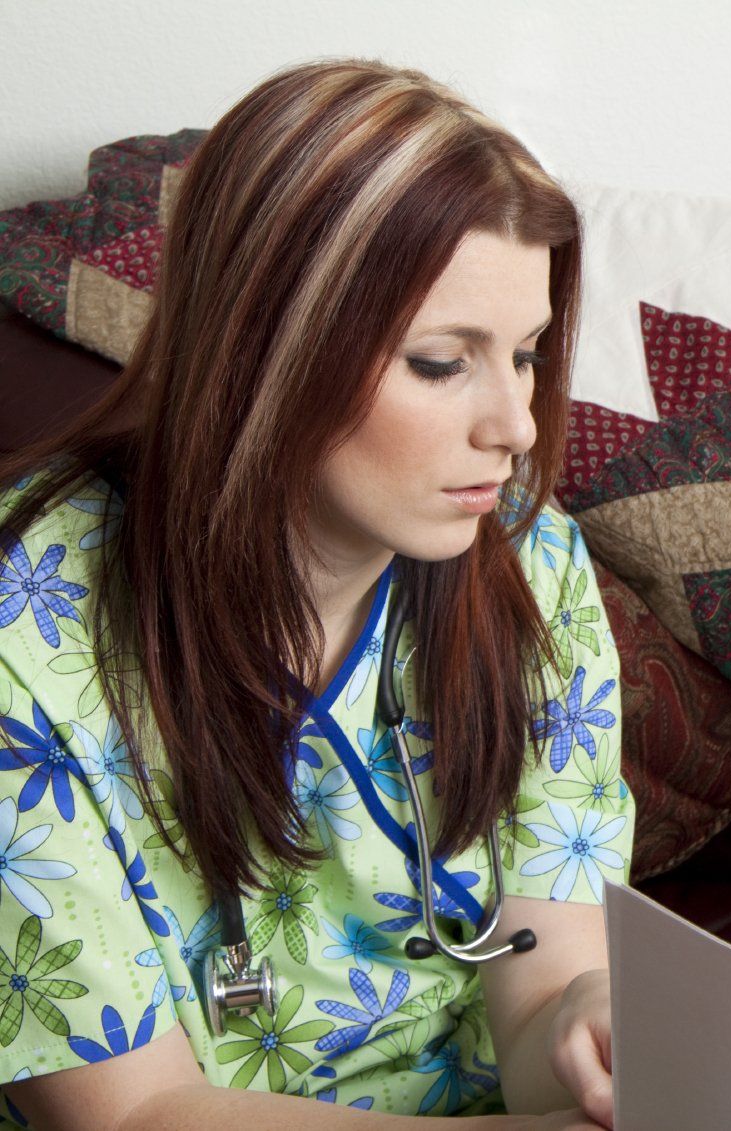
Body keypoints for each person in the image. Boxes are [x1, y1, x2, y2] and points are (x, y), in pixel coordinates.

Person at [0, 61, 632, 1129]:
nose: (516, 426)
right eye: (442, 362)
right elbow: (132, 1114)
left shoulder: (534, 562)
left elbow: (539, 980)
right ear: (264, 348)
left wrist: (586, 1020)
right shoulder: (26, 636)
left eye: (525, 356)